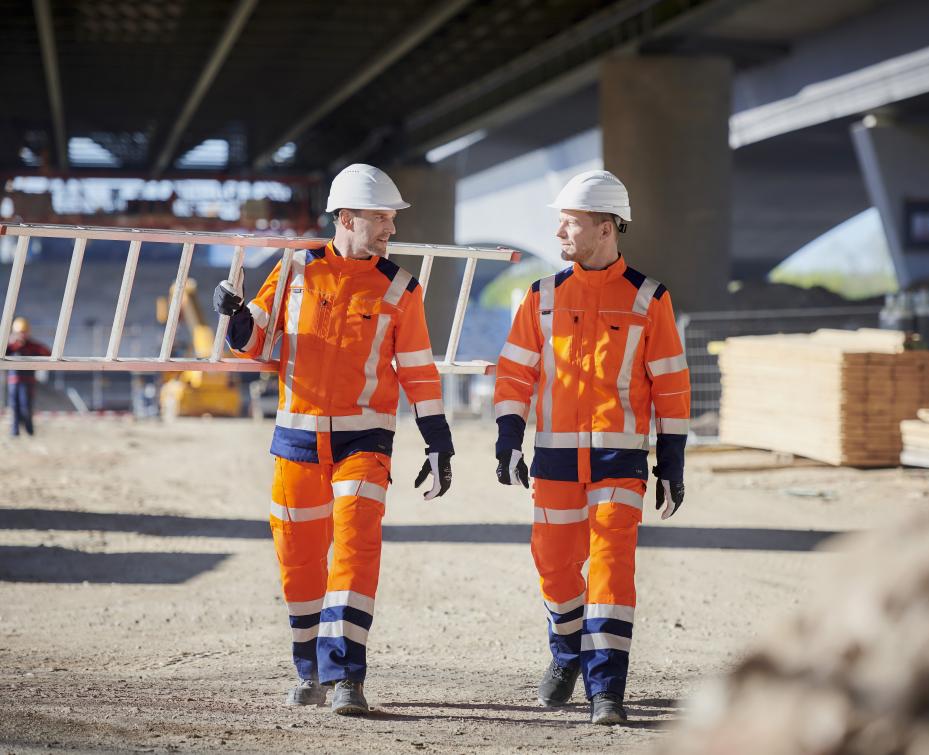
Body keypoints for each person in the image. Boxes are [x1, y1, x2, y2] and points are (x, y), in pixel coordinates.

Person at [214, 164, 454, 715]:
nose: (390, 229)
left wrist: (438, 439)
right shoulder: (295, 269)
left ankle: (348, 676)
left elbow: (418, 369)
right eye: (382, 218)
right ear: (347, 218)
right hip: (296, 439)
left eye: (392, 219)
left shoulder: (400, 287)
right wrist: (233, 317)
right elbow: (254, 343)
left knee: (354, 547)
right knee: (298, 559)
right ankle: (310, 668)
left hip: (364, 440)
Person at [493, 170, 690, 725]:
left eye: (571, 221)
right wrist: (510, 435)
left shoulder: (650, 299)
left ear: (604, 228)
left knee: (609, 572)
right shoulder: (543, 297)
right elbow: (514, 374)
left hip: (619, 462)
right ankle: (567, 651)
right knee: (554, 567)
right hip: (555, 459)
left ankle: (607, 690)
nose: (559, 230)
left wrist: (670, 460)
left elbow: (671, 384)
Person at [6, 317, 51, 437]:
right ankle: (14, 432)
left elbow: (48, 353)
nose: (22, 335)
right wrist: (11, 343)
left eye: (24, 333)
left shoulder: (33, 346)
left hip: (28, 381)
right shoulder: (10, 347)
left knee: (26, 406)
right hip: (13, 381)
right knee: (14, 407)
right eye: (20, 333)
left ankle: (29, 430)